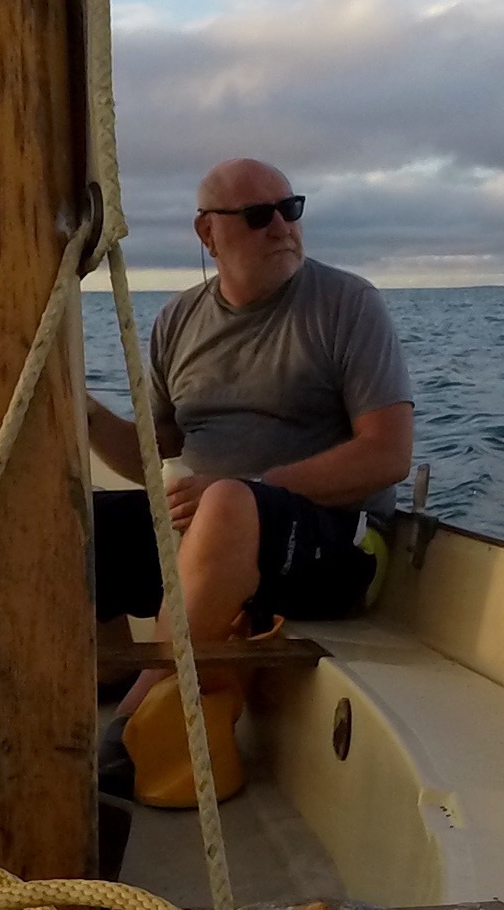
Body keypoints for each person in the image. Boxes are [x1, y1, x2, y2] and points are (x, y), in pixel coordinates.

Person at [83, 158, 414, 642]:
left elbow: (388, 454)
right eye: (258, 215)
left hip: (340, 545)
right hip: (205, 533)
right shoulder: (177, 319)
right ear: (208, 233)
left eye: (290, 209)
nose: (281, 227)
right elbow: (155, 458)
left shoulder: (349, 304)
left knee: (226, 504)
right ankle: (107, 669)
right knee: (80, 523)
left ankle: (155, 685)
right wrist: (89, 416)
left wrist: (247, 490)